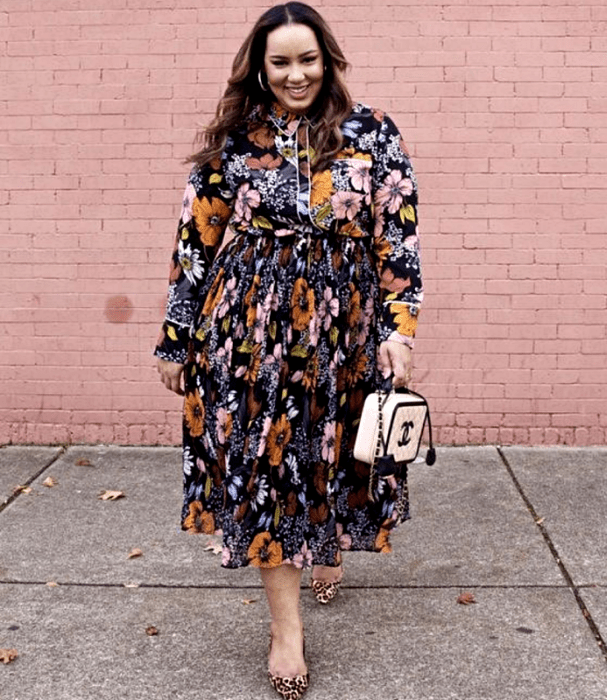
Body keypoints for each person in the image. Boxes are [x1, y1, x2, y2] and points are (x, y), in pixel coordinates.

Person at [154, 3, 423, 697]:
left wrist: (400, 328)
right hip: (249, 332)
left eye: (307, 59)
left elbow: (398, 234)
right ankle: (285, 633)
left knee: (335, 458)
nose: (295, 74)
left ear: (327, 60)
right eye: (280, 62)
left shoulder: (372, 132)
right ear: (259, 67)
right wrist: (176, 336)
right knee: (271, 473)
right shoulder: (234, 142)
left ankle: (327, 548)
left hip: (347, 328)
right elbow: (196, 242)